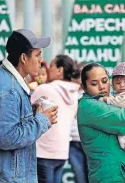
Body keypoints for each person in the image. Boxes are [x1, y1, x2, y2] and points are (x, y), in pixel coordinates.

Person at [0, 29, 58, 183]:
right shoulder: (8, 89)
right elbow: (6, 138)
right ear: (24, 58)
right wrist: (42, 121)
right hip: (5, 177)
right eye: (37, 55)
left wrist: (31, 111)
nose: (41, 60)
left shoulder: (2, 77)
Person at [31, 55, 80, 183]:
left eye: (52, 66)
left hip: (42, 152)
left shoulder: (44, 89)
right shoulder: (74, 94)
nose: (48, 69)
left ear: (60, 70)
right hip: (61, 152)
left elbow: (25, 111)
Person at [69, 62, 88, 183]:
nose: (80, 80)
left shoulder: (94, 95)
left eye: (83, 77)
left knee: (93, 176)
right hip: (72, 142)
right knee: (79, 177)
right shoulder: (67, 92)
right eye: (77, 76)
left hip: (90, 142)